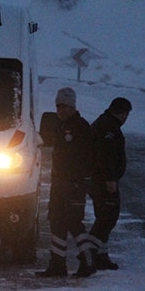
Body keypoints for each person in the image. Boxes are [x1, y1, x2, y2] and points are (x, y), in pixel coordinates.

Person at [36, 87, 97, 278]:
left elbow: (88, 158)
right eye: (58, 106)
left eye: (64, 106)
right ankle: (57, 264)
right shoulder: (60, 126)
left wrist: (81, 181)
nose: (60, 110)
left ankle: (88, 261)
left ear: (72, 106)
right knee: (56, 221)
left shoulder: (80, 126)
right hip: (60, 184)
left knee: (73, 221)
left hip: (74, 184)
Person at [88, 97, 132, 270]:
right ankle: (89, 252)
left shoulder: (104, 123)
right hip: (104, 182)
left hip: (98, 180)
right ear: (123, 114)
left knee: (104, 218)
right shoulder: (109, 129)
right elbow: (106, 157)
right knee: (107, 219)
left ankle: (100, 256)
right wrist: (110, 179)